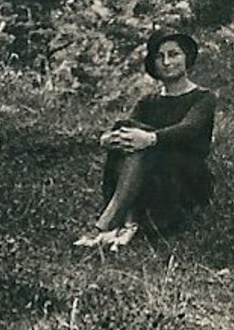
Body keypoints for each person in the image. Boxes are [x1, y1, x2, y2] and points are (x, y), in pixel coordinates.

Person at [74, 29, 216, 251]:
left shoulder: (204, 98)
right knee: (127, 131)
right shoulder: (148, 101)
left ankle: (108, 223)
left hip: (184, 177)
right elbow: (127, 129)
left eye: (174, 54)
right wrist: (108, 139)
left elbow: (189, 129)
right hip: (150, 174)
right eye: (160, 57)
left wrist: (151, 139)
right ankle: (129, 224)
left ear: (187, 57)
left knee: (142, 143)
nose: (167, 62)